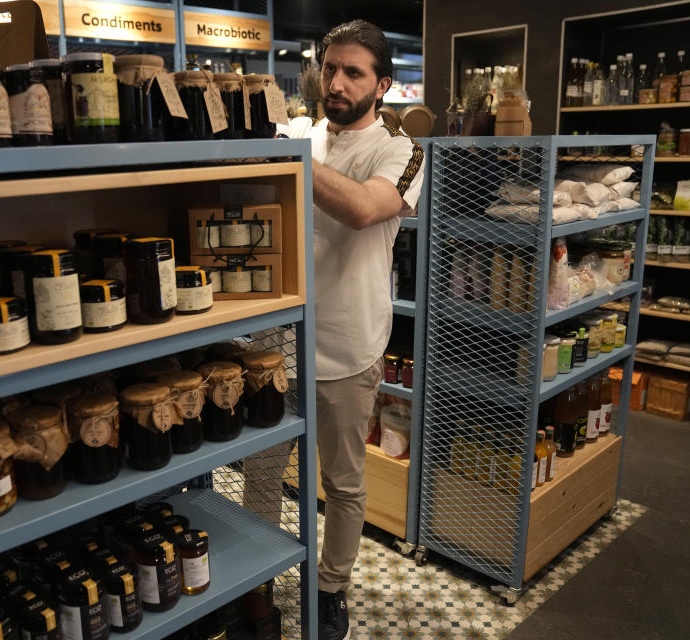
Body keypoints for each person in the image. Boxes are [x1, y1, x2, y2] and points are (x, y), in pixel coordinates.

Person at [279, 19, 425, 640]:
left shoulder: (400, 152)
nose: (335, 82)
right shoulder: (299, 135)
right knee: (259, 472)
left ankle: (330, 587)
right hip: (277, 346)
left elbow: (366, 209)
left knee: (342, 484)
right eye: (329, 68)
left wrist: (283, 160)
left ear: (383, 85)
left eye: (353, 72)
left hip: (348, 348)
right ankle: (253, 582)